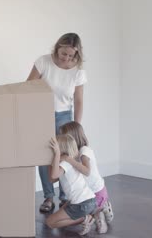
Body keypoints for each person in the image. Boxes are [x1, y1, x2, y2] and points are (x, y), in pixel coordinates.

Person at [27, 33, 87, 212]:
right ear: (57, 48)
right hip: (42, 115)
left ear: (77, 54)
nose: (66, 58)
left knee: (64, 157)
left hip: (65, 116)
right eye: (63, 54)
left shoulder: (78, 72)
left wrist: (77, 126)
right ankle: (48, 197)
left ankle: (65, 197)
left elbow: (78, 100)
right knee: (45, 157)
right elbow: (28, 86)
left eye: (71, 55)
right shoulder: (43, 62)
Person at [60, 121, 114, 234]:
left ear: (73, 137)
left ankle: (100, 212)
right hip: (86, 194)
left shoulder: (85, 151)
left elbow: (87, 171)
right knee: (74, 210)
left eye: (64, 137)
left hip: (97, 192)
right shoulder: (73, 153)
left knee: (93, 220)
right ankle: (97, 211)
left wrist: (69, 160)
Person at [46, 134, 96, 236]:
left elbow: (54, 174)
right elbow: (52, 179)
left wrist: (56, 154)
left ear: (61, 149)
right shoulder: (69, 162)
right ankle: (85, 217)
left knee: (50, 222)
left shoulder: (66, 163)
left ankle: (85, 218)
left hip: (81, 204)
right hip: (86, 200)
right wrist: (49, 160)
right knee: (57, 217)